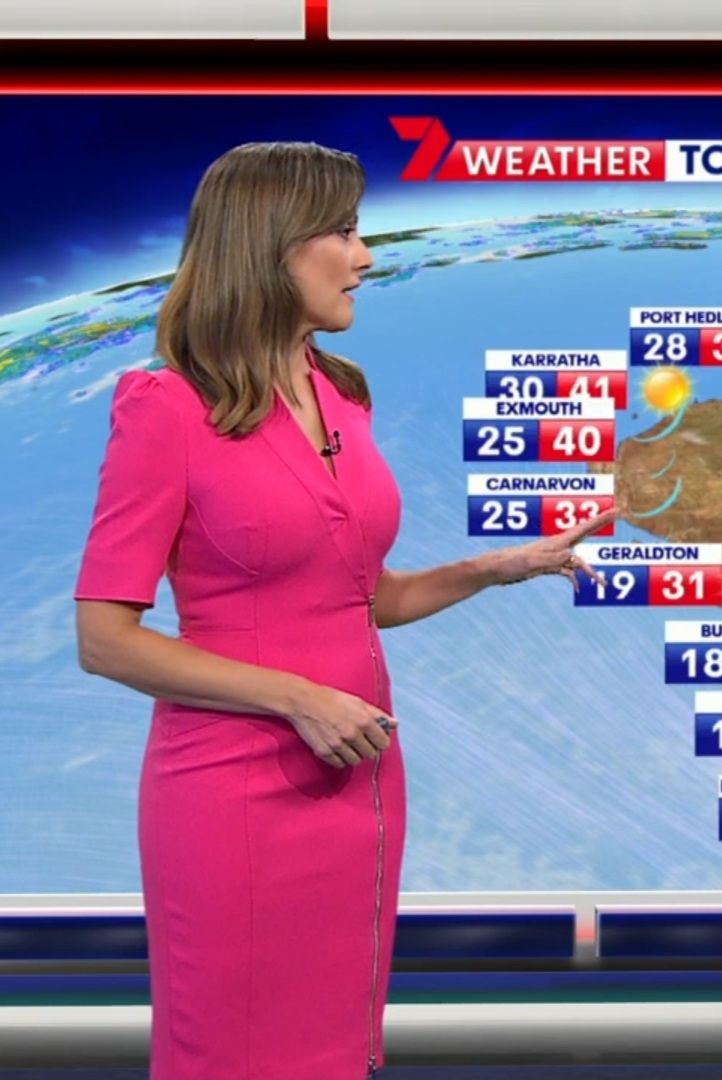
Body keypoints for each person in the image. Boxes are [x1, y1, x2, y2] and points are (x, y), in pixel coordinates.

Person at [73, 140, 616, 1080]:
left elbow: (364, 599)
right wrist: (298, 698)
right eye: (344, 232)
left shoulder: (342, 396)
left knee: (336, 1043)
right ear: (270, 245)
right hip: (234, 793)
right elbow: (105, 640)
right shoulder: (166, 408)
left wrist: (497, 568)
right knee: (233, 1049)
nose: (366, 257)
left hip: (356, 775)